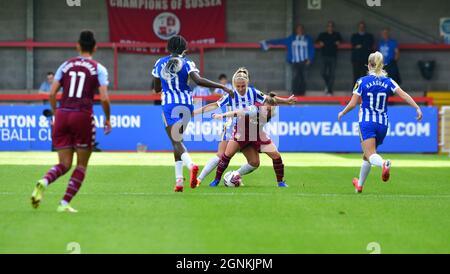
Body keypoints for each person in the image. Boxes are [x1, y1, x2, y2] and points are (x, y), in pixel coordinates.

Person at [31, 30, 112, 213]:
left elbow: (52, 93)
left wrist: (56, 113)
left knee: (64, 164)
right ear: (95, 47)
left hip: (62, 114)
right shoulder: (98, 68)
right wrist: (107, 119)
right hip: (82, 115)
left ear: (77, 45)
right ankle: (64, 203)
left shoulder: (65, 65)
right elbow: (105, 98)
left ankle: (44, 181)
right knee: (81, 165)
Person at [152, 35, 233, 192]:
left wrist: (166, 84)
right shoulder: (188, 62)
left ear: (168, 48)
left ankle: (191, 166)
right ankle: (179, 182)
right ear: (184, 49)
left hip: (169, 105)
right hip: (187, 105)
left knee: (176, 142)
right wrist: (222, 87)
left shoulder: (159, 63)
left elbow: (156, 89)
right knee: (178, 142)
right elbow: (199, 80)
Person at [193, 68, 295, 187]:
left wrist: (286, 101)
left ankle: (234, 175)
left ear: (247, 83)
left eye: (243, 86)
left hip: (253, 129)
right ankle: (199, 179)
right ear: (234, 84)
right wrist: (194, 113)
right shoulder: (231, 94)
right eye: (238, 86)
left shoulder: (253, 92)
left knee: (254, 162)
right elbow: (214, 105)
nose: (241, 89)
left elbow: (269, 98)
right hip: (233, 127)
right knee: (222, 155)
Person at [338, 51, 423, 193]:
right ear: (382, 65)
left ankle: (384, 163)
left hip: (367, 122)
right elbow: (404, 95)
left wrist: (342, 112)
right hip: (383, 124)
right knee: (367, 155)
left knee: (371, 155)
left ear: (368, 64)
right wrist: (417, 108)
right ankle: (359, 185)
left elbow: (353, 104)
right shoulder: (389, 81)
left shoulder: (362, 81)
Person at [211, 92, 291, 187]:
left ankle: (280, 182)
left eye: (269, 110)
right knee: (227, 155)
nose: (266, 111)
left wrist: (285, 101)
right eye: (265, 109)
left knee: (275, 156)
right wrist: (222, 115)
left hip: (257, 134)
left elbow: (272, 99)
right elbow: (237, 112)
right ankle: (216, 180)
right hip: (242, 132)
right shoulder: (253, 109)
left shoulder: (273, 112)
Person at [261, 24, 315, 95]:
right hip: (294, 62)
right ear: (296, 30)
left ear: (303, 30)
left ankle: (302, 93)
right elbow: (279, 41)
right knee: (296, 77)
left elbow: (312, 49)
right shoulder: (291, 39)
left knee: (303, 77)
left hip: (304, 61)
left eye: (301, 29)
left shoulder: (308, 39)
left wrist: (310, 59)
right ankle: (295, 93)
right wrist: (268, 42)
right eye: (298, 29)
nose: (300, 30)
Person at [316, 21, 342, 95]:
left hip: (333, 56)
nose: (330, 27)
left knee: (332, 74)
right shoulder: (323, 35)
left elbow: (341, 41)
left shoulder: (336, 34)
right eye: (329, 26)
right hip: (324, 56)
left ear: (333, 27)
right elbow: (317, 41)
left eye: (331, 26)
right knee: (323, 72)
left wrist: (338, 42)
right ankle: (328, 86)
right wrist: (320, 43)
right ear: (327, 27)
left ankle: (329, 91)